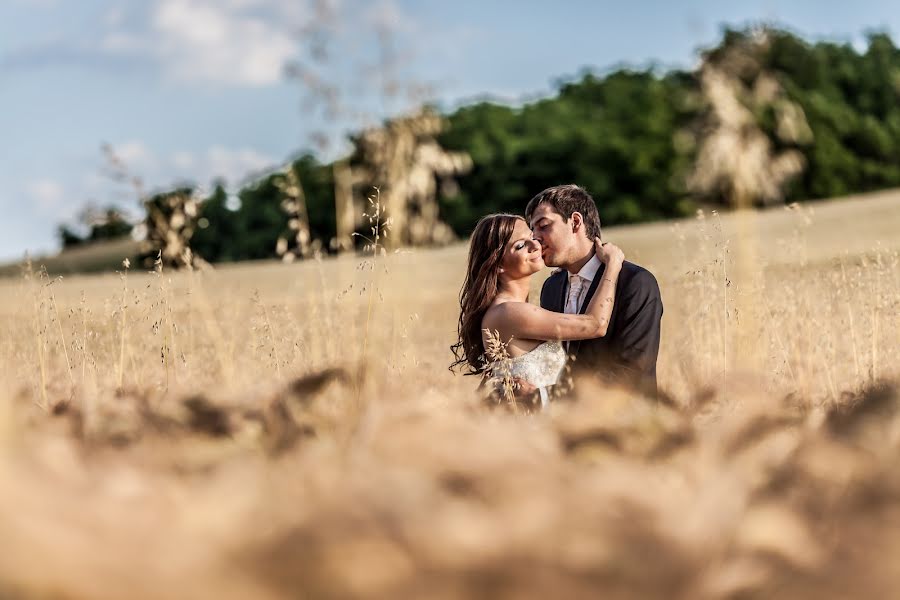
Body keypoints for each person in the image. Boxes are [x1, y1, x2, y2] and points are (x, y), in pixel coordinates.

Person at [450, 213, 625, 408]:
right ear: (498, 264)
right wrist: (613, 265)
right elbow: (595, 325)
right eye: (520, 246)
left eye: (532, 237)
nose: (535, 245)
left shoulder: (510, 309)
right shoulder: (508, 312)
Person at [526, 184, 663, 397]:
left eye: (543, 226)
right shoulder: (551, 288)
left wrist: (545, 396)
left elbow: (632, 372)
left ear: (575, 222)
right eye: (532, 230)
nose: (535, 237)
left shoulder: (636, 282)